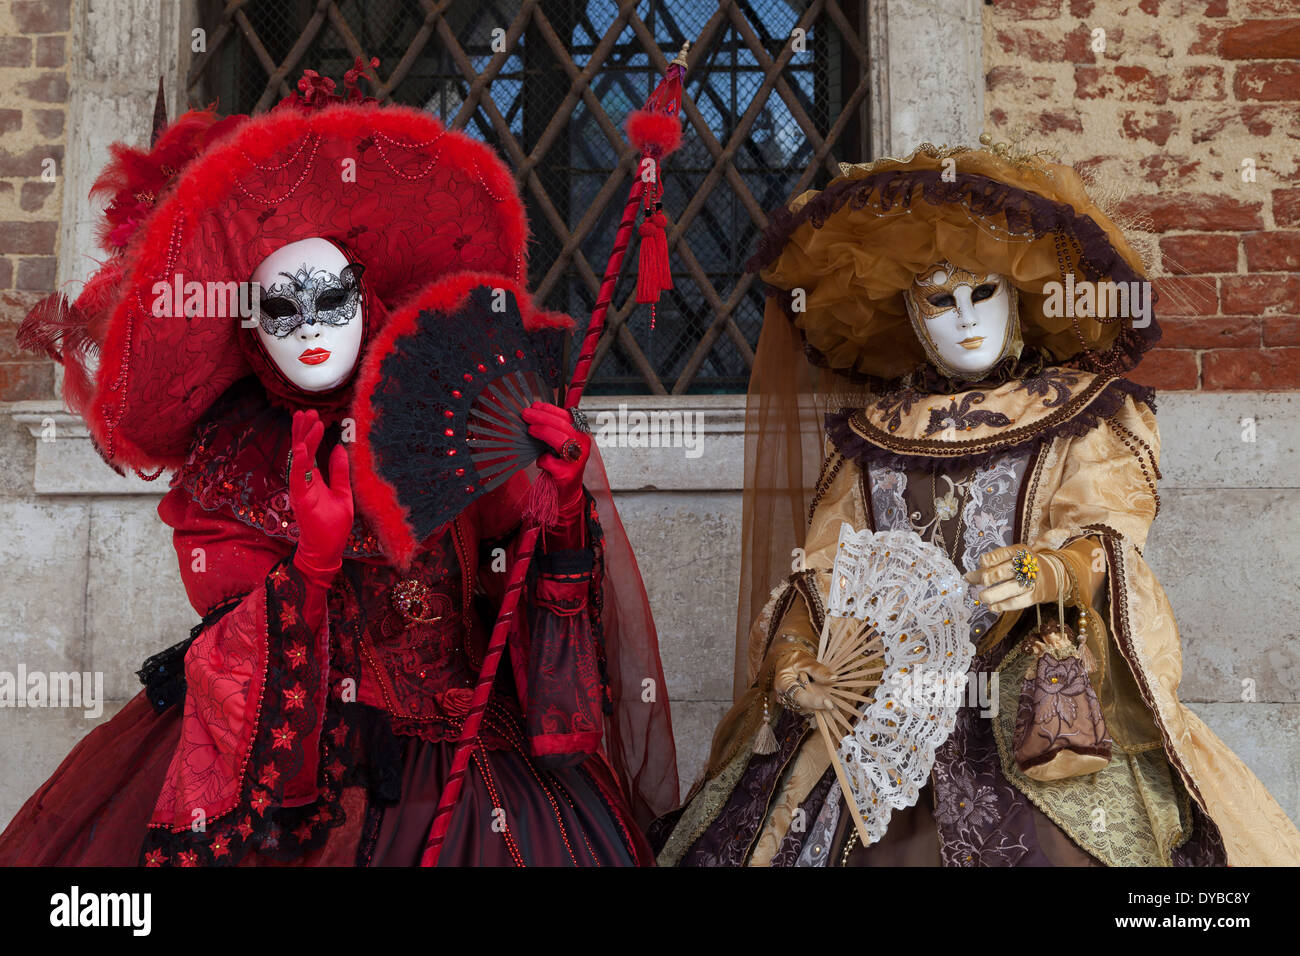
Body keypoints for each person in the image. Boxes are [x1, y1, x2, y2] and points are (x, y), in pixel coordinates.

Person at [2, 62, 676, 867]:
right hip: (303, 765)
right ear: (248, 327)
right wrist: (313, 567)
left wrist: (560, 512)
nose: (311, 327)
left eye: (333, 300)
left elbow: (518, 599)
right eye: (282, 308)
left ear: (369, 295)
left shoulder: (450, 418)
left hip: (480, 770)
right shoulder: (234, 463)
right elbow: (232, 655)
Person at [654, 141, 1300, 867]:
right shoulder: (872, 437)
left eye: (982, 294)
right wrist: (797, 652)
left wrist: (1051, 573)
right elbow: (827, 571)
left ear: (1019, 300)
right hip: (877, 704)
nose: (964, 317)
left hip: (1030, 695)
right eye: (940, 300)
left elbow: (1107, 536)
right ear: (911, 314)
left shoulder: (1082, 413)